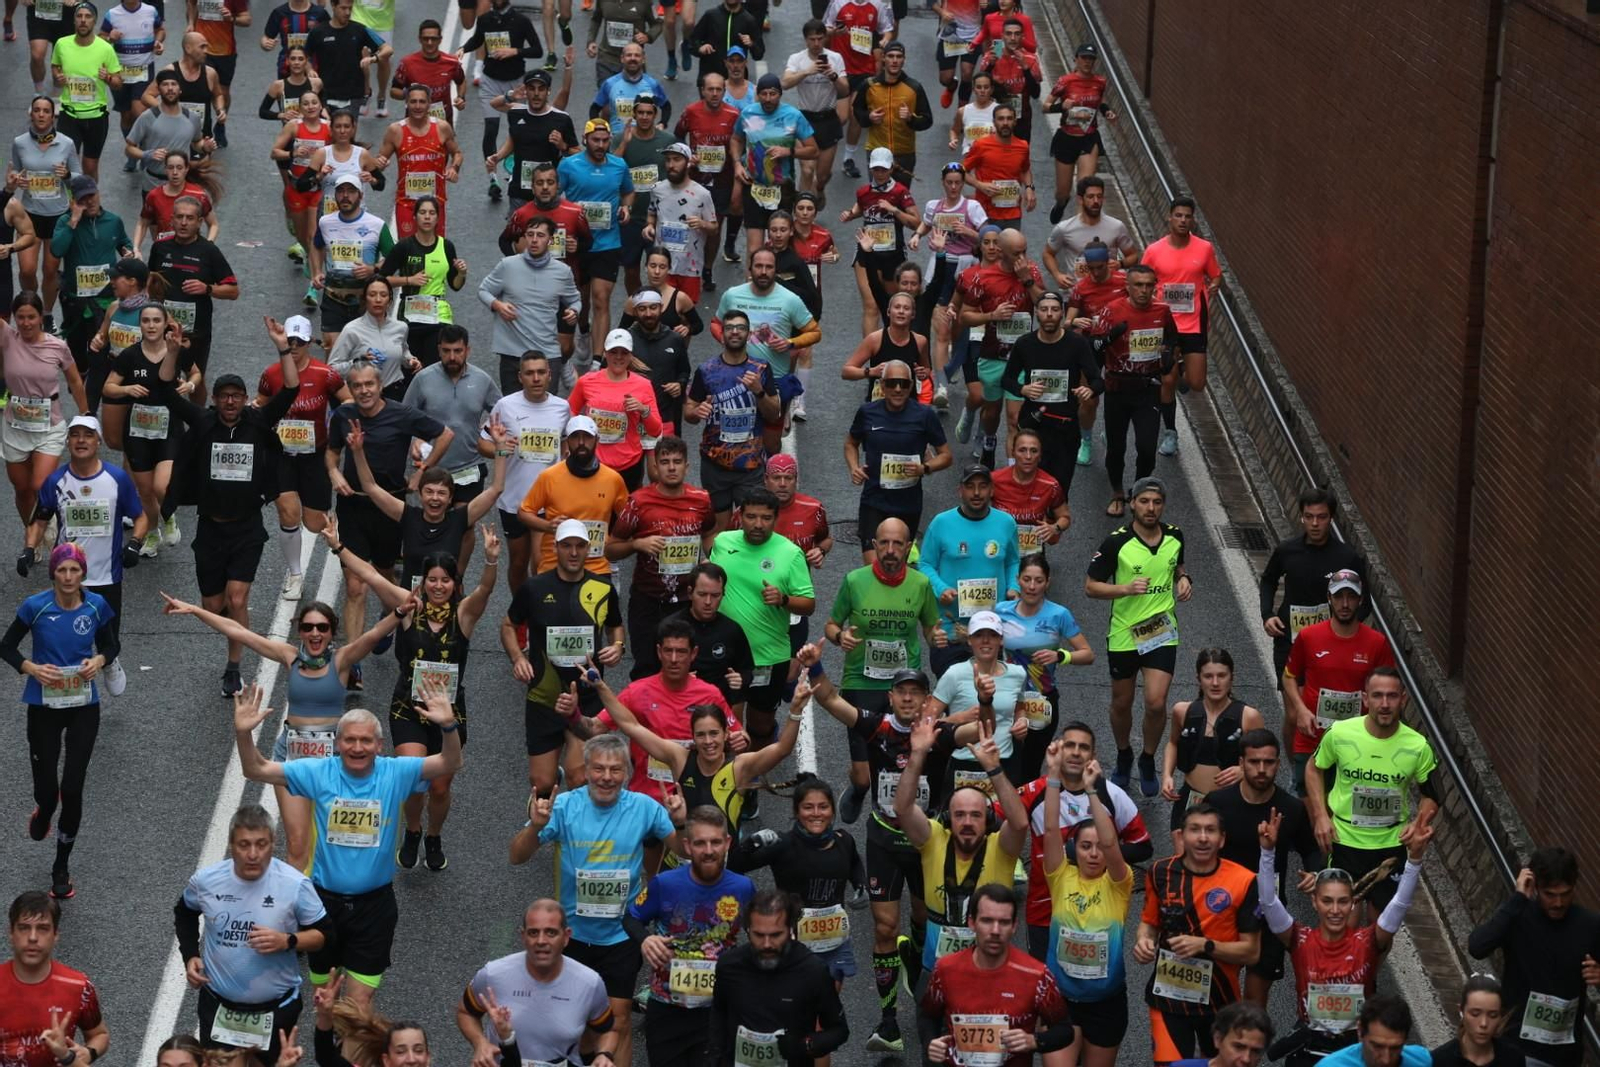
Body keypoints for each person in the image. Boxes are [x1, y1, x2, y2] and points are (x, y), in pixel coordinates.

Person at [233, 683, 464, 1010]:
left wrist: (449, 726)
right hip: (322, 906)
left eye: (366, 740)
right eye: (350, 740)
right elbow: (255, 769)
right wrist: (244, 733)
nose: (358, 747)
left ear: (379, 745)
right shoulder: (319, 772)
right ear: (337, 743)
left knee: (359, 1003)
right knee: (325, 1002)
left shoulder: (396, 772)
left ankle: (354, 1041)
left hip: (375, 907)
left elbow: (450, 762)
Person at [160, 590, 387, 873]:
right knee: (297, 845)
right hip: (291, 759)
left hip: (332, 763)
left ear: (331, 632)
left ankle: (333, 892)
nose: (315, 633)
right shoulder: (290, 656)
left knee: (334, 841)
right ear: (300, 632)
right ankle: (297, 900)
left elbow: (374, 635)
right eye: (308, 627)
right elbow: (238, 631)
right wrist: (195, 610)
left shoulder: (342, 660)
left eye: (322, 627)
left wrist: (402, 611)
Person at [325, 523, 502, 872]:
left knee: (440, 786)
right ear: (423, 582)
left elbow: (485, 589)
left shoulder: (463, 614)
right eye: (432, 580)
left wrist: (491, 560)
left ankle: (433, 835)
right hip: (409, 707)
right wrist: (337, 546)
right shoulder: (409, 607)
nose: (438, 586)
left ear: (454, 584)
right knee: (414, 779)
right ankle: (413, 830)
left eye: (445, 580)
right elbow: (371, 577)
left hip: (449, 713)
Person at [511, 739, 673, 1067]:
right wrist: (536, 827)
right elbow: (517, 855)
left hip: (621, 934)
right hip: (572, 936)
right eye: (598, 768)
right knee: (577, 1023)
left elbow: (685, 849)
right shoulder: (563, 806)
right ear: (585, 771)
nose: (607, 777)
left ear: (627, 773)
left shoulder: (644, 807)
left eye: (615, 769)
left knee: (618, 1021)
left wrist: (680, 822)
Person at [162, 326, 302, 696]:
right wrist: (172, 353)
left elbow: (291, 390)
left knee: (238, 598)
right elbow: (166, 393)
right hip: (210, 528)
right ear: (215, 400)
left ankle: (233, 667)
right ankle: (234, 626)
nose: (229, 402)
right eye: (223, 396)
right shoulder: (203, 422)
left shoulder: (258, 422)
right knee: (213, 606)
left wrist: (283, 349)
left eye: (236, 396)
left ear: (244, 400)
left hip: (246, 528)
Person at [1257, 806, 1431, 1067]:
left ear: (1353, 903)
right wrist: (1267, 852)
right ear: (1315, 902)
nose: (1335, 910)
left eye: (1343, 902)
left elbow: (1399, 905)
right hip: (1310, 1049)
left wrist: (1414, 860)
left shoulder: (1368, 941)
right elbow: (1268, 903)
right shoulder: (1300, 940)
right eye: (1327, 901)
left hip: (1356, 1052)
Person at [897, 724, 1030, 1057]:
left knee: (986, 1056)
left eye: (975, 815)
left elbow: (1020, 823)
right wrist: (918, 754)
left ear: (988, 820)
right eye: (959, 815)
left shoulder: (1001, 848)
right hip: (936, 974)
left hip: (990, 975)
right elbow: (903, 809)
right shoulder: (933, 839)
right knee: (935, 1054)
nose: (968, 822)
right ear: (948, 819)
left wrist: (994, 768)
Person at [0, 543, 121, 899]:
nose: (68, 577)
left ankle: (61, 867)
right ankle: (44, 811)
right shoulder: (35, 606)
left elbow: (111, 645)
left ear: (83, 574)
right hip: (43, 707)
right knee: (48, 792)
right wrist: (31, 668)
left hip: (83, 705)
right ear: (53, 573)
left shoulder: (96, 606)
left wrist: (98, 661)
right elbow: (6, 646)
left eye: (74, 570)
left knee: (72, 787)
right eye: (62, 570)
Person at [324, 359, 452, 688]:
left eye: (369, 384)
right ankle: (353, 663)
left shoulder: (402, 414)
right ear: (350, 389)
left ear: (380, 386)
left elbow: (445, 434)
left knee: (383, 574)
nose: (364, 391)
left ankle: (387, 614)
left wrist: (422, 472)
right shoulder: (342, 415)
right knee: (355, 585)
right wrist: (334, 472)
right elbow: (331, 453)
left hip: (390, 507)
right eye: (357, 385)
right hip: (353, 505)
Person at [175, 804, 332, 1062]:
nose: (252, 854)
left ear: (273, 843)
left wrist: (288, 940)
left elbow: (326, 935)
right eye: (244, 845)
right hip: (218, 1007)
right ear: (231, 844)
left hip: (276, 1010)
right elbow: (184, 912)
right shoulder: (206, 881)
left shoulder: (294, 884)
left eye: (261, 844)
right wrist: (190, 954)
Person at [586, 667, 798, 832]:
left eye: (714, 734)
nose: (708, 741)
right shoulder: (680, 759)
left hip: (724, 863)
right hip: (683, 857)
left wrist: (796, 710)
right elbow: (631, 725)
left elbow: (782, 748)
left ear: (726, 734)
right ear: (693, 738)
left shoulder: (739, 768)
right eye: (701, 735)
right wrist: (601, 687)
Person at [825, 515, 941, 811]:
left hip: (904, 686)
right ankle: (859, 788)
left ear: (909, 547)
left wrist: (936, 637)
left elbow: (930, 627)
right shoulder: (854, 581)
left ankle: (890, 820)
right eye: (884, 543)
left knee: (899, 763)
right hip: (861, 681)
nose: (890, 550)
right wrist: (840, 636)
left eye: (897, 544)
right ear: (875, 545)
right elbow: (831, 624)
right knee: (864, 775)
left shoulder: (921, 584)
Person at [624, 804, 755, 1067]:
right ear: (687, 846)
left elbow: (760, 935)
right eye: (700, 843)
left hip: (718, 1010)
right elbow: (630, 918)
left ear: (727, 843)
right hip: (666, 1010)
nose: (709, 850)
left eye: (715, 842)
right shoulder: (665, 884)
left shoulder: (743, 888)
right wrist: (646, 939)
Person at [503, 517, 625, 794]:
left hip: (587, 695)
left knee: (579, 778)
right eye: (566, 545)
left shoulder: (603, 588)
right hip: (544, 696)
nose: (573, 552)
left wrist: (618, 646)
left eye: (579, 546)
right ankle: (551, 780)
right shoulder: (534, 588)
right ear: (555, 547)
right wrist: (518, 658)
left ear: (588, 549)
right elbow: (508, 625)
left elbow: (615, 626)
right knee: (542, 784)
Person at [1133, 803, 1261, 1066]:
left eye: (1210, 830)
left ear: (1222, 839)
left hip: (1221, 1003)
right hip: (1168, 999)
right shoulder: (1160, 872)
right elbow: (1149, 923)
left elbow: (1251, 952)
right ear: (1181, 836)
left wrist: (1205, 945)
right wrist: (1143, 941)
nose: (1203, 837)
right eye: (1195, 830)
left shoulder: (1244, 880)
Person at [1085, 474, 1189, 794]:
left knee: (1156, 703)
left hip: (1161, 632)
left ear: (1163, 506)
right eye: (1144, 501)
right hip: (1124, 633)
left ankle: (1147, 758)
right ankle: (1123, 754)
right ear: (1132, 504)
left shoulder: (1175, 535)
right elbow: (1090, 587)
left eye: (1157, 502)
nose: (1150, 508)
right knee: (1122, 703)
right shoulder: (1116, 542)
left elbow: (1177, 565)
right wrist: (1125, 589)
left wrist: (1184, 579)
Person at [1305, 668, 1440, 914]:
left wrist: (1419, 822)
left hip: (1391, 845)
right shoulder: (1340, 733)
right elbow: (1314, 768)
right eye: (1377, 695)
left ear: (1403, 699)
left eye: (1392, 696)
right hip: (1344, 841)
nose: (1385, 704)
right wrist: (1321, 816)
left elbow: (1432, 794)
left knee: (1382, 927)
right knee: (1343, 919)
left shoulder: (1418, 746)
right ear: (1366, 699)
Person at [1201, 728, 1320, 1007]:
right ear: (1241, 763)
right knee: (1219, 996)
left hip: (1269, 913)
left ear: (1278, 764)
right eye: (1254, 762)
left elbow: (1311, 849)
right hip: (1222, 907)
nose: (1262, 769)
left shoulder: (1292, 808)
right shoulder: (1218, 803)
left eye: (1269, 762)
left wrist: (1315, 873)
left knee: (1255, 1002)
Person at [1038, 744, 1133, 1067]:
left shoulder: (1119, 883)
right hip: (1060, 1001)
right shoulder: (1059, 876)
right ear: (1072, 850)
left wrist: (1092, 790)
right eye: (1085, 846)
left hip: (1106, 1004)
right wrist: (1053, 774)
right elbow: (1051, 828)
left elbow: (1110, 841)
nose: (1094, 854)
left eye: (1099, 847)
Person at [1468, 847, 1600, 1067]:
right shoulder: (1518, 916)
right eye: (1550, 894)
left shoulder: (1589, 926)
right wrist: (1518, 898)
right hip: (1513, 1049)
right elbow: (1477, 946)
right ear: (1536, 886)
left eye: (1565, 894)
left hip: (1563, 1056)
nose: (1558, 903)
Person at [707, 486, 815, 750]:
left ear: (776, 519)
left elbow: (809, 605)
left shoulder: (790, 553)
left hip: (767, 657)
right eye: (751, 516)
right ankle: (728, 772)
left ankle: (756, 768)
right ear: (740, 516)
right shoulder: (723, 543)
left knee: (760, 726)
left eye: (766, 518)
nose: (758, 524)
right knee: (724, 725)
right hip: (725, 654)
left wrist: (784, 599)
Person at [732, 777, 867, 989]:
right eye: (808, 807)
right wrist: (749, 844)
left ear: (832, 811)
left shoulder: (844, 840)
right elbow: (733, 866)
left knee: (828, 1003)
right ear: (797, 812)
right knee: (796, 1002)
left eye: (823, 807)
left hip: (833, 943)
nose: (816, 813)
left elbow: (855, 864)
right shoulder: (783, 844)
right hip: (792, 944)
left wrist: (861, 886)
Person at [920, 883, 1073, 1067]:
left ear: (1014, 926)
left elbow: (1065, 1030)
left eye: (1004, 922)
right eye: (987, 921)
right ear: (972, 923)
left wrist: (1034, 1041)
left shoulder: (1036, 975)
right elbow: (927, 1016)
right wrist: (930, 1043)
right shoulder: (945, 969)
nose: (995, 931)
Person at [24, 416, 145, 647]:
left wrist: (135, 543)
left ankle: (110, 665)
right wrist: (29, 549)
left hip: (107, 574)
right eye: (75, 435)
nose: (81, 440)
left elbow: (140, 516)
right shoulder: (55, 481)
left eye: (88, 435)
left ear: (98, 442)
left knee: (109, 644)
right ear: (67, 442)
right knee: (66, 639)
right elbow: (39, 521)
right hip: (67, 574)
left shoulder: (117, 479)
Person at [457, 900, 618, 1067]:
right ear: (523, 936)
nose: (541, 941)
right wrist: (480, 1043)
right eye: (533, 933)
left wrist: (604, 1055)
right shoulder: (493, 974)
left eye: (551, 933)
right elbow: (466, 1013)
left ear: (566, 937)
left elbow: (609, 1030)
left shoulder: (589, 983)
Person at [256, 313, 349, 601]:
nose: (294, 346)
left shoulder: (326, 374)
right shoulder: (271, 375)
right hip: (281, 454)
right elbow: (261, 404)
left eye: (300, 341)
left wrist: (338, 431)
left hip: (315, 454)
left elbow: (348, 401)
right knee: (288, 512)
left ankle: (340, 534)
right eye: (290, 340)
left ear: (309, 343)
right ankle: (295, 575)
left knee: (314, 524)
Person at [703, 889, 851, 1067]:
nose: (767, 944)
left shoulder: (813, 970)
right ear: (748, 930)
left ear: (790, 930)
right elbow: (718, 1013)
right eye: (758, 935)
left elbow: (839, 1030)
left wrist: (805, 1045)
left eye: (775, 935)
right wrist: (713, 1056)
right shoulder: (729, 965)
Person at [609, 435, 714, 675]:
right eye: (665, 462)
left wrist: (711, 560)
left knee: (685, 668)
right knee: (646, 668)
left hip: (688, 601)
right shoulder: (638, 502)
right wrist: (637, 544)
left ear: (687, 466)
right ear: (655, 466)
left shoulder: (701, 500)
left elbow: (708, 532)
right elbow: (611, 548)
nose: (671, 467)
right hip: (648, 600)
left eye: (677, 462)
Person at [1283, 569, 1393, 791]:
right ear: (1329, 598)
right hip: (1312, 739)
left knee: (1343, 808)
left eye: (1351, 597)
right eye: (1338, 596)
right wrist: (1300, 710)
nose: (1344, 604)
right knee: (1307, 806)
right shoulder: (1309, 636)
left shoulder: (1377, 643)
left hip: (1356, 744)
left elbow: (1391, 689)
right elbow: (1289, 676)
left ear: (1360, 600)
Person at [100, 302, 190, 560]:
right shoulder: (129, 355)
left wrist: (190, 385)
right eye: (146, 321)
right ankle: (152, 532)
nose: (151, 326)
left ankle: (168, 516)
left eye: (156, 321)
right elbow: (108, 387)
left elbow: (195, 374)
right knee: (145, 491)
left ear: (164, 324)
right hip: (138, 430)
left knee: (162, 486)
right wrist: (127, 389)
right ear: (140, 324)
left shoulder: (175, 351)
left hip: (169, 428)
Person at [1259, 486, 1367, 690]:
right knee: (1293, 706)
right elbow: (1268, 580)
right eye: (1309, 517)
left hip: (1330, 646)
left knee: (1318, 703)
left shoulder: (1347, 557)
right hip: (1289, 640)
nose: (1315, 523)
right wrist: (1267, 614)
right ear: (1302, 517)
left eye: (1321, 517)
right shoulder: (1287, 550)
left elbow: (1365, 601)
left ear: (1331, 518)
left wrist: (1344, 630)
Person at [918, 462, 1020, 675]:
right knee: (954, 691)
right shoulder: (941, 523)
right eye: (970, 486)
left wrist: (1013, 586)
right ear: (960, 490)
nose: (976, 493)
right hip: (952, 630)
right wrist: (940, 588)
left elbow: (1012, 561)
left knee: (988, 691)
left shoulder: (1006, 523)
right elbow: (925, 564)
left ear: (991, 490)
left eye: (983, 486)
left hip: (991, 631)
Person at [994, 555, 1094, 772]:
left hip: (1041, 699)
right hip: (1007, 697)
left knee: (1030, 766)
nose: (1032, 586)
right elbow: (982, 642)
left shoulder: (1059, 614)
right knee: (1002, 762)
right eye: (1027, 579)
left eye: (1039, 581)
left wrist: (1060, 656)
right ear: (1017, 580)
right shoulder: (1001, 611)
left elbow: (1088, 654)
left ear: (1048, 582)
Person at [399, 325, 502, 530]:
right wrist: (415, 440)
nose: (452, 357)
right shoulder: (423, 379)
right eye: (446, 351)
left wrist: (486, 435)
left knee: (464, 528)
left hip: (469, 466)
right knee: (434, 527)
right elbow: (403, 418)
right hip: (433, 469)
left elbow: (503, 413)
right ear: (439, 350)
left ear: (467, 350)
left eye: (458, 351)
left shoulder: (482, 380)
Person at [683, 309, 780, 527]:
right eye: (729, 328)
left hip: (750, 464)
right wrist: (696, 412)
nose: (735, 332)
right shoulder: (706, 370)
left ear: (749, 334)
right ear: (722, 334)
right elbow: (689, 411)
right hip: (715, 464)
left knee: (752, 527)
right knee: (720, 531)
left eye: (741, 328)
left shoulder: (761, 369)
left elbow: (774, 414)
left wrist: (759, 391)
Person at [845, 358, 950, 558]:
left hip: (908, 504)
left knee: (896, 564)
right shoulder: (867, 412)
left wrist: (925, 468)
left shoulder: (924, 415)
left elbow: (946, 456)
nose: (898, 389)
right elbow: (850, 443)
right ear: (883, 386)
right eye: (892, 383)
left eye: (904, 384)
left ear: (911, 386)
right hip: (874, 501)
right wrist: (854, 467)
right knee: (873, 566)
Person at [712, 249, 818, 447]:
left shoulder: (790, 299)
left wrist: (790, 343)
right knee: (735, 440)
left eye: (769, 267)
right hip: (736, 375)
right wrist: (725, 339)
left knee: (770, 444)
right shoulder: (733, 295)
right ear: (750, 268)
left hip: (774, 379)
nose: (763, 271)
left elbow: (814, 332)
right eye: (759, 266)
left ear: (775, 270)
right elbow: (716, 323)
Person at [484, 350, 569, 594]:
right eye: (530, 373)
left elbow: (565, 442)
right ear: (520, 377)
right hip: (514, 499)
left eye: (541, 372)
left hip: (548, 499)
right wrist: (500, 448)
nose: (536, 378)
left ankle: (539, 610)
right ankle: (520, 609)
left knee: (541, 563)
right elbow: (483, 443)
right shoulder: (505, 406)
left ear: (549, 375)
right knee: (518, 563)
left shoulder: (562, 407)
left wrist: (566, 460)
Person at [1142, 195, 1222, 455]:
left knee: (1197, 383)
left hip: (1194, 324)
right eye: (1178, 215)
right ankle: (1170, 432)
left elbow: (1216, 275)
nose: (1183, 220)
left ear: (1193, 220)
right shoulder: (1154, 251)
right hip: (1165, 326)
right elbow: (1141, 280)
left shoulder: (1204, 249)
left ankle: (1182, 372)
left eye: (1187, 216)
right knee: (1167, 380)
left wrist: (1214, 285)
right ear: (1170, 217)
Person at [1002, 293, 1102, 498]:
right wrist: (1022, 389)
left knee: (1059, 492)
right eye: (1044, 309)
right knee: (1028, 489)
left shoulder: (1077, 344)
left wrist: (1089, 390)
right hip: (1033, 425)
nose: (1049, 314)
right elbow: (1007, 380)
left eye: (1055, 310)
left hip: (1065, 428)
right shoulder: (1024, 343)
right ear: (1036, 313)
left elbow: (1098, 380)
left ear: (1062, 314)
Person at [1, 293, 85, 535]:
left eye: (31, 317)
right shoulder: (7, 337)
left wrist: (86, 413)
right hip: (15, 426)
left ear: (41, 317)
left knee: (40, 484)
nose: (26, 323)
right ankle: (32, 537)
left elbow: (75, 381)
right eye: (20, 317)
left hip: (50, 425)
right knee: (22, 489)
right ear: (13, 318)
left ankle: (48, 522)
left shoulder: (58, 346)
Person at [0, 891, 110, 1064]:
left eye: (43, 929)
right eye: (24, 928)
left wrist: (88, 1053)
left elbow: (99, 1034)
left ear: (55, 935)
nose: (33, 938)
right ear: (11, 933)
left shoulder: (78, 987)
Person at [1161, 648, 1266, 829]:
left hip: (1231, 802)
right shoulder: (1182, 711)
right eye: (1208, 676)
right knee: (1183, 846)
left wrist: (1244, 771)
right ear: (1199, 679)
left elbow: (1264, 758)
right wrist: (1166, 776)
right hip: (1192, 800)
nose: (1215, 683)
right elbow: (1172, 743)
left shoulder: (1248, 717)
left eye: (1222, 676)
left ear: (1231, 678)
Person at [52, 176, 133, 400]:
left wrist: (127, 251)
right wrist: (73, 221)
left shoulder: (113, 221)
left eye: (92, 195)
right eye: (83, 199)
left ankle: (94, 394)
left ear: (98, 193)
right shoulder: (65, 222)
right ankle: (81, 374)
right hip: (75, 300)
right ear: (74, 201)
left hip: (105, 299)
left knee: (100, 349)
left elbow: (123, 242)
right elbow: (56, 250)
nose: (89, 201)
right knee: (77, 347)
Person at [558, 118, 633, 363]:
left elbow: (628, 192)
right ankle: (583, 330)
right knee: (581, 300)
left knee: (601, 299)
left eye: (604, 140)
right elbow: (555, 197)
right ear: (585, 140)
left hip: (607, 243)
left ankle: (597, 360)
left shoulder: (619, 165)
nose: (600, 145)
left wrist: (626, 208)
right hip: (578, 244)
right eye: (595, 140)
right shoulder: (569, 165)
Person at [480, 216, 582, 394]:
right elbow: (483, 290)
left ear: (550, 240)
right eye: (530, 234)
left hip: (547, 353)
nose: (534, 240)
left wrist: (574, 311)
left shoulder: (562, 271)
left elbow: (575, 299)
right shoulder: (507, 265)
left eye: (540, 235)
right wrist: (497, 305)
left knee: (546, 407)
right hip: (512, 352)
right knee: (512, 408)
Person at [516, 417, 628, 577]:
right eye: (575, 437)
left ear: (597, 440)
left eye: (587, 437)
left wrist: (615, 543)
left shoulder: (613, 480)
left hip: (596, 568)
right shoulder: (549, 477)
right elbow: (523, 513)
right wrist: (547, 526)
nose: (581, 442)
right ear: (567, 441)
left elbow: (628, 520)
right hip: (554, 566)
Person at [459, 0, 543, 204]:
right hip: (491, 82)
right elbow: (477, 40)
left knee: (521, 131)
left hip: (516, 84)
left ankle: (519, 174)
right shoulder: (485, 19)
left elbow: (537, 50)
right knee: (491, 129)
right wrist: (463, 49)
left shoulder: (521, 21)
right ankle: (493, 179)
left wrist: (515, 51)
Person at [146, 193, 236, 382]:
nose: (184, 223)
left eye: (190, 218)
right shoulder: (160, 247)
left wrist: (208, 289)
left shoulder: (209, 251)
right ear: (172, 220)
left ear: (200, 222)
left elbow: (233, 291)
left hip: (196, 332)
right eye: (179, 217)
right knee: (160, 379)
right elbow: (149, 282)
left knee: (195, 379)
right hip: (162, 330)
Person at [11, 96, 80, 331]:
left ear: (53, 116)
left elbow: (79, 178)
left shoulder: (66, 143)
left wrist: (67, 175)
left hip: (57, 216)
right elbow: (15, 171)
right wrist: (17, 181)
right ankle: (32, 307)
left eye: (46, 111)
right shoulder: (19, 143)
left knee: (50, 271)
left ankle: (48, 315)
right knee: (27, 270)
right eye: (37, 110)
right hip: (29, 215)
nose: (41, 115)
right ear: (31, 114)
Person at [730, 76, 817, 258]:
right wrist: (737, 164)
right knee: (753, 250)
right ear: (758, 94)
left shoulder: (793, 116)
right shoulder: (748, 113)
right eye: (764, 94)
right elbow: (736, 139)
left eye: (773, 94)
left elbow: (813, 150)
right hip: (753, 186)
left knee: (780, 247)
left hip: (782, 189)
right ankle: (753, 277)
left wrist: (788, 151)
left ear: (780, 94)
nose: (768, 99)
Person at [567, 328, 662, 490]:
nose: (618, 357)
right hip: (593, 462)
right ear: (605, 353)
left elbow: (655, 430)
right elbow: (570, 411)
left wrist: (643, 410)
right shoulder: (587, 381)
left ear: (631, 356)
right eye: (613, 352)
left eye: (624, 353)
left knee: (626, 506)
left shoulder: (643, 385)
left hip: (629, 464)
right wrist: (577, 438)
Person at [379, 197, 466, 372]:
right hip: (410, 318)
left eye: (432, 213)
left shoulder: (446, 246)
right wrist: (408, 280)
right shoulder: (404, 246)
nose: (427, 217)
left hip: (438, 318)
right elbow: (381, 280)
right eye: (423, 212)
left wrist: (461, 273)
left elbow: (455, 285)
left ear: (437, 218)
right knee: (412, 370)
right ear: (415, 217)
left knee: (434, 370)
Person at [673, 71, 743, 284]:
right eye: (710, 89)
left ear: (724, 91)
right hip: (695, 180)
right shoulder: (691, 111)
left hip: (722, 181)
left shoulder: (734, 115)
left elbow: (741, 144)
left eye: (718, 89)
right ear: (702, 90)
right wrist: (688, 156)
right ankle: (689, 265)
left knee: (714, 227)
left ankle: (707, 269)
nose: (714, 93)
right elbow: (678, 136)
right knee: (691, 224)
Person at [309, 175, 391, 350]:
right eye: (341, 191)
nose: (345, 196)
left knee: (364, 351)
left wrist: (373, 269)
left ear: (360, 195)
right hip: (333, 297)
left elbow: (394, 258)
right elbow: (316, 246)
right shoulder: (325, 222)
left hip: (365, 300)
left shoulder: (376, 225)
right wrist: (316, 272)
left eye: (351, 191)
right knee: (333, 348)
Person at [372, 85, 462, 241]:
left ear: (429, 103)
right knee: (408, 250)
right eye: (413, 102)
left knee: (434, 249)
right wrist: (380, 163)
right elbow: (379, 161)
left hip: (435, 203)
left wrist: (454, 168)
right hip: (406, 203)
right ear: (406, 103)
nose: (418, 106)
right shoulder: (395, 130)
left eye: (422, 102)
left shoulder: (442, 127)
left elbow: (457, 153)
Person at [667, 563, 755, 711]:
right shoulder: (670, 629)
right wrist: (676, 679)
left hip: (719, 709)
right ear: (690, 593)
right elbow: (648, 674)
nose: (708, 602)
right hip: (679, 706)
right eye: (702, 594)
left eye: (715, 595)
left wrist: (741, 678)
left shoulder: (732, 630)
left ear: (723, 594)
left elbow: (747, 669)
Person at [51, 3, 124, 181]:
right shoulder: (62, 44)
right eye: (79, 16)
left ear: (94, 21)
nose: (83, 20)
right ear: (74, 20)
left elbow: (118, 83)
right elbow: (55, 66)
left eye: (88, 16)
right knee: (66, 165)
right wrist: (58, 77)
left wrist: (108, 78)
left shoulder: (105, 48)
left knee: (90, 168)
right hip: (69, 115)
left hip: (96, 117)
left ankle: (90, 198)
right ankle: (70, 198)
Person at [1043, 43, 1115, 219]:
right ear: (1076, 59)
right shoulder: (1065, 81)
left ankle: (1081, 227)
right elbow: (1045, 106)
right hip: (1067, 138)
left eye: (1091, 59)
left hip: (1088, 139)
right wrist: (1061, 106)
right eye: (1084, 58)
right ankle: (1061, 203)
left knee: (1085, 187)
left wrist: (1107, 112)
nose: (1087, 62)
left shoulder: (1100, 82)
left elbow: (1100, 102)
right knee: (1063, 192)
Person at [823, 0, 892, 181]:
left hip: (864, 69)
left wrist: (885, 40)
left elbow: (887, 29)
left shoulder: (877, 5)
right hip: (842, 68)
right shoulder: (838, 3)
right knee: (842, 117)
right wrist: (835, 32)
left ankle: (848, 159)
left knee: (855, 115)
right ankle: (825, 149)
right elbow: (824, 29)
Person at [782, 20, 849, 200]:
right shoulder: (797, 59)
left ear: (825, 38)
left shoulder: (835, 58)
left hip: (828, 119)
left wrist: (833, 76)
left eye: (820, 38)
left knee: (822, 176)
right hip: (805, 119)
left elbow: (845, 90)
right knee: (807, 169)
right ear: (806, 40)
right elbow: (785, 83)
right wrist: (807, 72)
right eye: (812, 39)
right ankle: (803, 209)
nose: (817, 43)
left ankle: (819, 188)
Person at [643, 143, 717, 303]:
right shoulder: (657, 189)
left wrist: (702, 224)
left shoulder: (702, 194)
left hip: (690, 266)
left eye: (677, 160)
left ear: (688, 163)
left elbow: (714, 228)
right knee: (661, 308)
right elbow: (651, 213)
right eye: (668, 160)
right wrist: (649, 226)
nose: (671, 165)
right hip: (662, 266)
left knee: (686, 311)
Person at [326, 277, 417, 401]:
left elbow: (403, 352)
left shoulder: (401, 327)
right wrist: (358, 362)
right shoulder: (351, 330)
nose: (378, 300)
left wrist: (411, 360)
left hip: (394, 393)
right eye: (372, 295)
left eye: (383, 295)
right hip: (365, 395)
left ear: (390, 300)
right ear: (365, 299)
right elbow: (332, 369)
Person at [851, 41, 929, 183]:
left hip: (904, 153)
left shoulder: (914, 87)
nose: (894, 61)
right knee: (878, 193)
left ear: (904, 60)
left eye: (899, 57)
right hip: (877, 151)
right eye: (891, 56)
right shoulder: (869, 85)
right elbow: (857, 110)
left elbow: (927, 120)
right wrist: (869, 117)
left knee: (901, 195)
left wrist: (911, 118)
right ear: (883, 58)